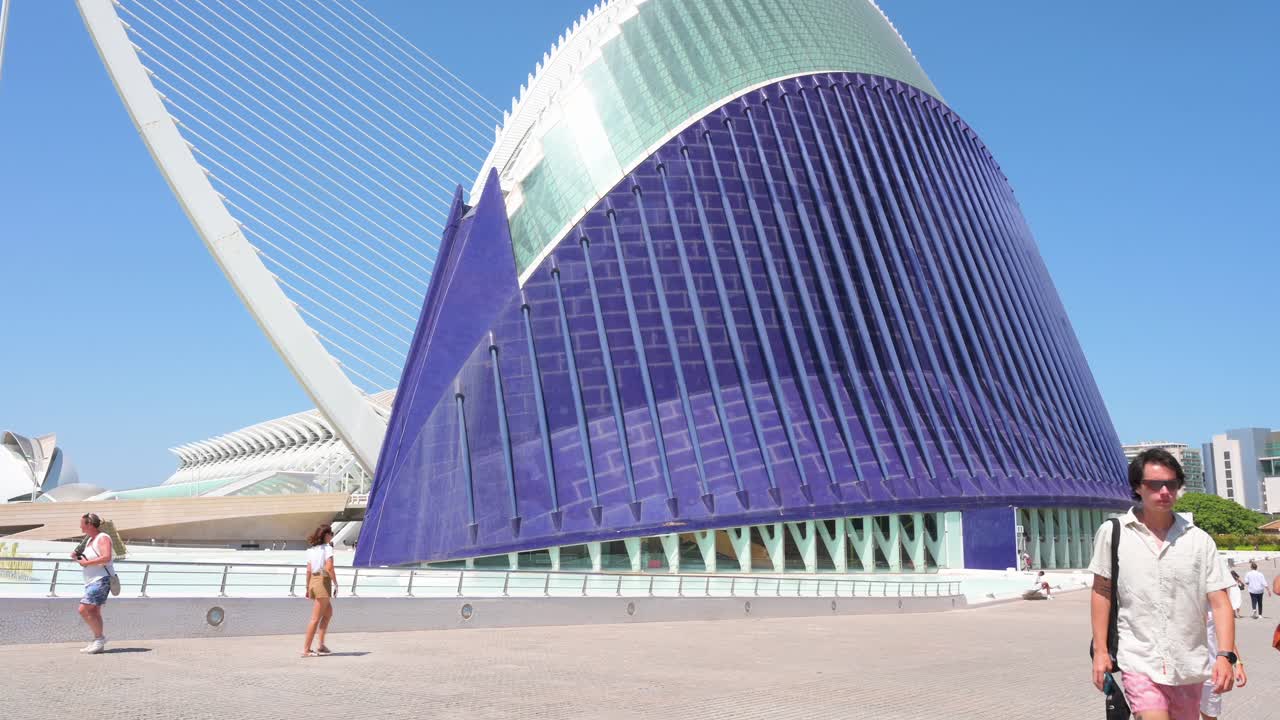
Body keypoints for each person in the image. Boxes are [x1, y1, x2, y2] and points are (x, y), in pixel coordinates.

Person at [1089, 448, 1237, 720]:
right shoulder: (1114, 533)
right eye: (1155, 485)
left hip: (1188, 664)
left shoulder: (1199, 540)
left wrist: (1226, 655)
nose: (1165, 491)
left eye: (1172, 484)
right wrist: (1100, 652)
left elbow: (1220, 601)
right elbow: (1102, 592)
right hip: (1139, 659)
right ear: (1138, 487)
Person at [1201, 565, 1248, 720]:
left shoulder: (1216, 604)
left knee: (1209, 716)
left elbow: (1225, 636)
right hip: (1182, 670)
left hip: (1211, 669)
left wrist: (1238, 663)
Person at [73, 512, 114, 654]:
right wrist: (78, 559)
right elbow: (87, 563)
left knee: (83, 609)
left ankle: (100, 639)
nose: (80, 527)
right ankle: (98, 641)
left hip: (101, 580)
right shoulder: (90, 541)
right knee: (94, 612)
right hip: (91, 581)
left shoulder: (103, 538)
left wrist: (86, 562)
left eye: (82, 524)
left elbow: (106, 557)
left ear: (89, 524)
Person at [301, 524, 338, 657]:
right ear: (326, 535)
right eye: (331, 534)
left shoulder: (311, 550)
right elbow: (329, 567)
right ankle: (306, 649)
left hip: (313, 582)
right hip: (323, 581)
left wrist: (307, 587)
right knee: (315, 619)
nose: (332, 536)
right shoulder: (328, 548)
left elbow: (309, 571)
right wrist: (336, 583)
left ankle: (321, 645)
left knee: (328, 614)